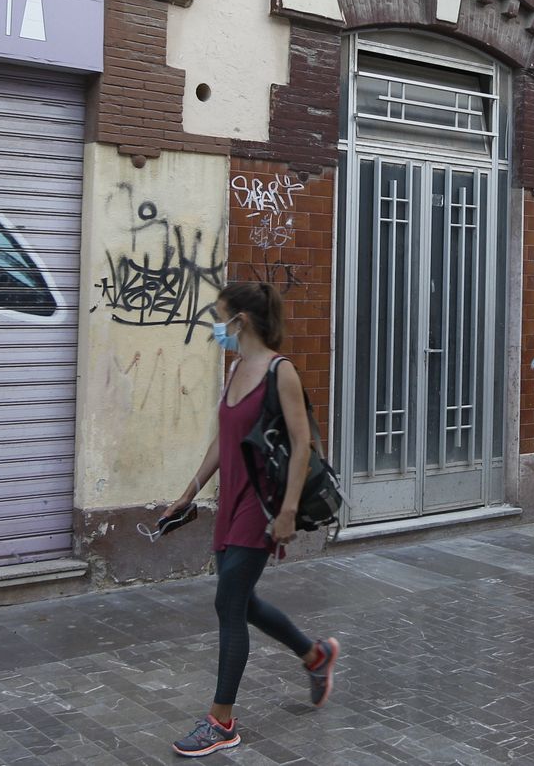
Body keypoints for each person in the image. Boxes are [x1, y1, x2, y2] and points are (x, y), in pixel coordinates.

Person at [162, 280, 340, 758]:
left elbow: (303, 444)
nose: (216, 325)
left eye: (220, 315)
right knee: (242, 603)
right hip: (230, 504)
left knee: (228, 604)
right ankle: (315, 654)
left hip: (260, 508)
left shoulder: (279, 371)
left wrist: (286, 513)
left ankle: (221, 721)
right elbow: (223, 442)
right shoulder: (236, 367)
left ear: (240, 320)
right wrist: (188, 494)